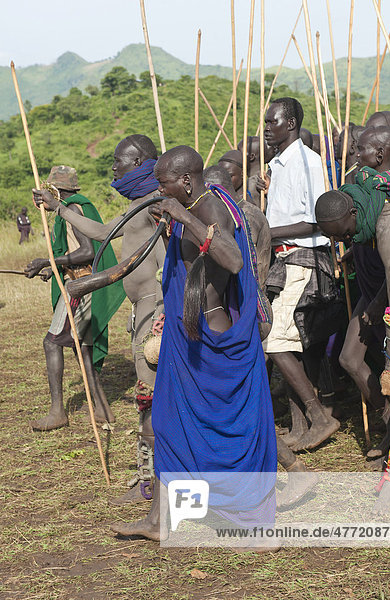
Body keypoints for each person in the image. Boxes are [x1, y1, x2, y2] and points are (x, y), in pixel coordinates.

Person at [111, 145, 277, 542]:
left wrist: (181, 215)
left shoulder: (209, 209)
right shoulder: (195, 204)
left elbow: (234, 261)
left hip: (212, 341)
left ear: (186, 181)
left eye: (164, 183)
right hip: (189, 339)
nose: (160, 189)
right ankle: (157, 520)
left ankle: (247, 519)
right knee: (170, 423)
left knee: (220, 429)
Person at [31, 136, 164, 503]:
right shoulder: (140, 204)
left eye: (119, 162)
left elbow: (168, 268)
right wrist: (59, 209)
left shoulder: (157, 206)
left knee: (150, 398)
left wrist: (162, 317)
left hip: (156, 312)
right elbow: (105, 233)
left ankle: (150, 484)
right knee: (149, 397)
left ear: (138, 162)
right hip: (144, 309)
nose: (113, 169)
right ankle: (150, 481)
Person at [203, 164, 318, 508]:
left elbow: (238, 270)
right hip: (239, 313)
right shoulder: (235, 213)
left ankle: (289, 472)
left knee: (243, 403)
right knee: (240, 402)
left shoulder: (241, 217)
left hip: (246, 313)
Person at [315, 148, 390, 513]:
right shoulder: (357, 197)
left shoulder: (387, 224)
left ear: (354, 214)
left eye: (346, 233)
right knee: (350, 357)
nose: (345, 240)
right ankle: (387, 424)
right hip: (380, 293)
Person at [259, 96, 341, 452]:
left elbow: (316, 221)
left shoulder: (308, 162)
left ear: (290, 124)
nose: (265, 130)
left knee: (276, 341)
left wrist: (265, 230)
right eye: (264, 123)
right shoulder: (278, 164)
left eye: (271, 122)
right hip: (283, 260)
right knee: (286, 343)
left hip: (303, 259)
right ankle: (297, 425)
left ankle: (320, 417)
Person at [27, 166, 125, 431]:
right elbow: (76, 252)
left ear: (55, 191)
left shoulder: (72, 210)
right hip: (80, 280)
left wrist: (48, 260)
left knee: (51, 342)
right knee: (83, 349)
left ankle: (57, 412)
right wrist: (53, 268)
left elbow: (88, 251)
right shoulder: (76, 207)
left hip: (81, 287)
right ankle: (103, 409)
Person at [338, 126, 390, 463]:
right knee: (349, 359)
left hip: (388, 299)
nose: (355, 156)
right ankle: (386, 420)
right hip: (368, 288)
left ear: (378, 155)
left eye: (360, 150)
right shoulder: (365, 190)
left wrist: (378, 304)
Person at [237, 136, 276, 209]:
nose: (236, 155)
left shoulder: (254, 183)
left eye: (239, 152)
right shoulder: (265, 178)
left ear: (251, 157)